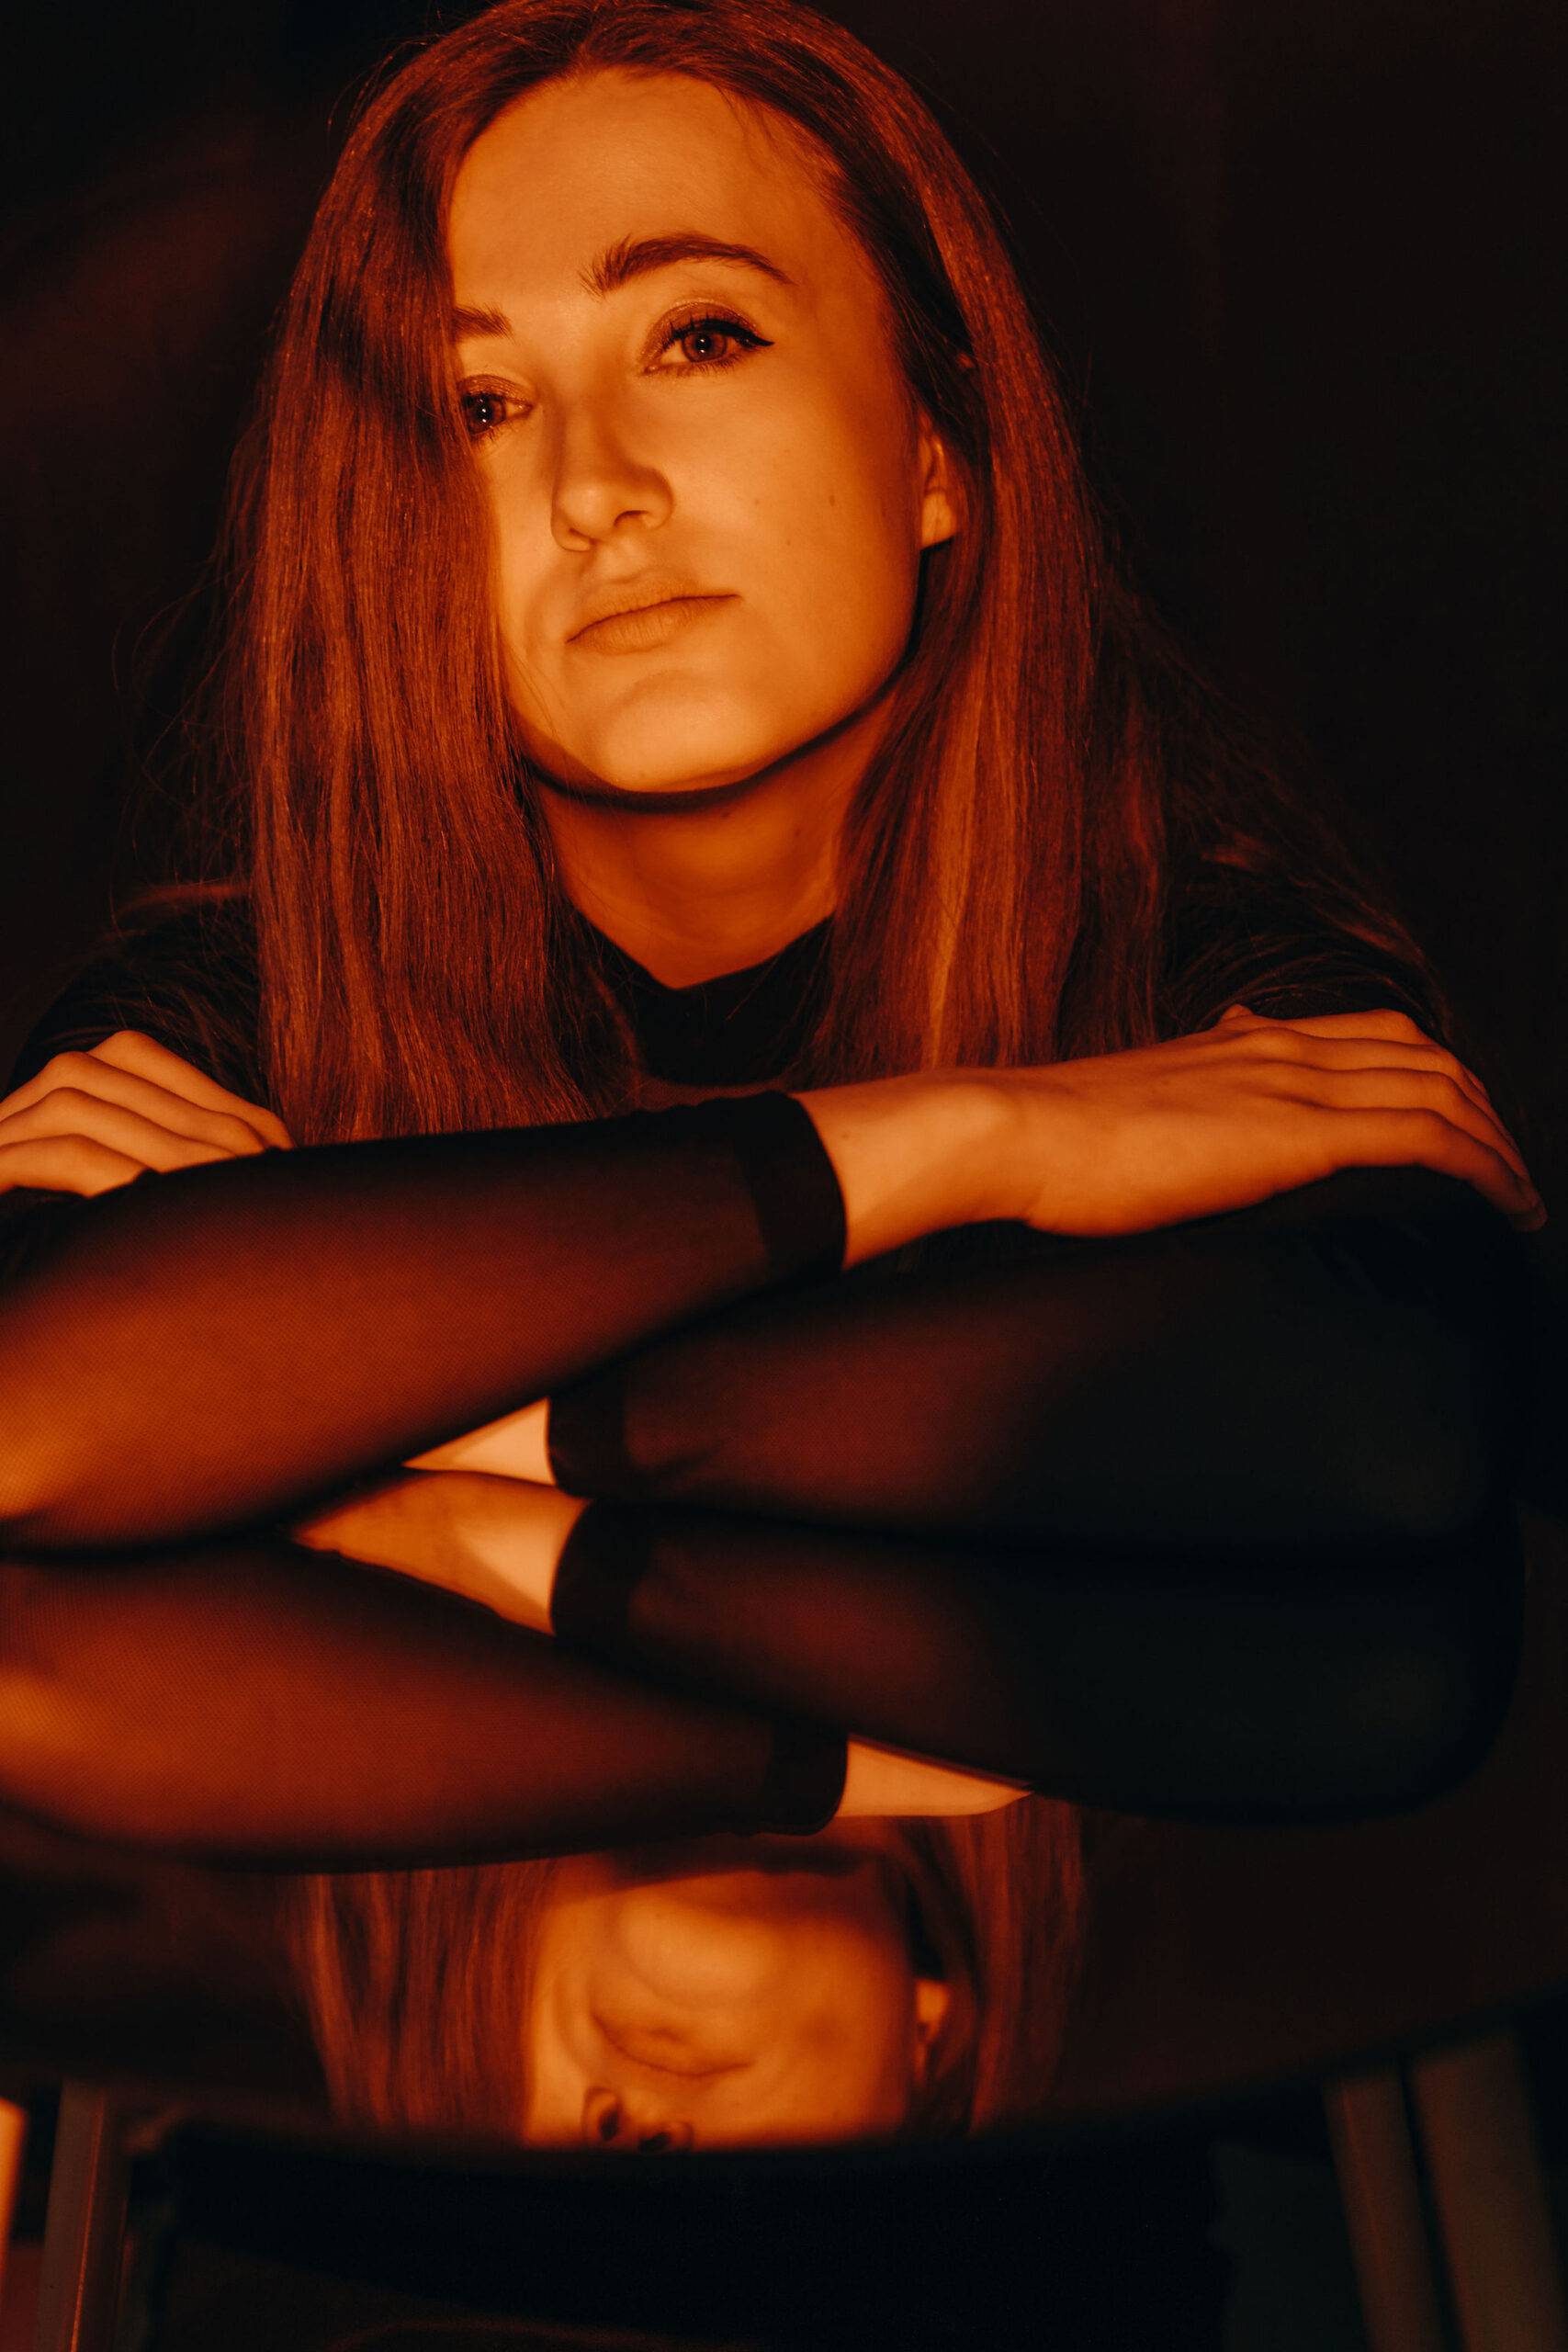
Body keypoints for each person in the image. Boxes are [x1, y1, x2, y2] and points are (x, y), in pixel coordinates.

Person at [0, 0, 1551, 2154]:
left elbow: (1370, 1421)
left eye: (698, 337)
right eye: (474, 403)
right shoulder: (254, 974)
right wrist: (976, 1140)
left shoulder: (1183, 937)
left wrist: (371, 1412)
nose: (593, 490)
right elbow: (33, 1407)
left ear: (936, 448)